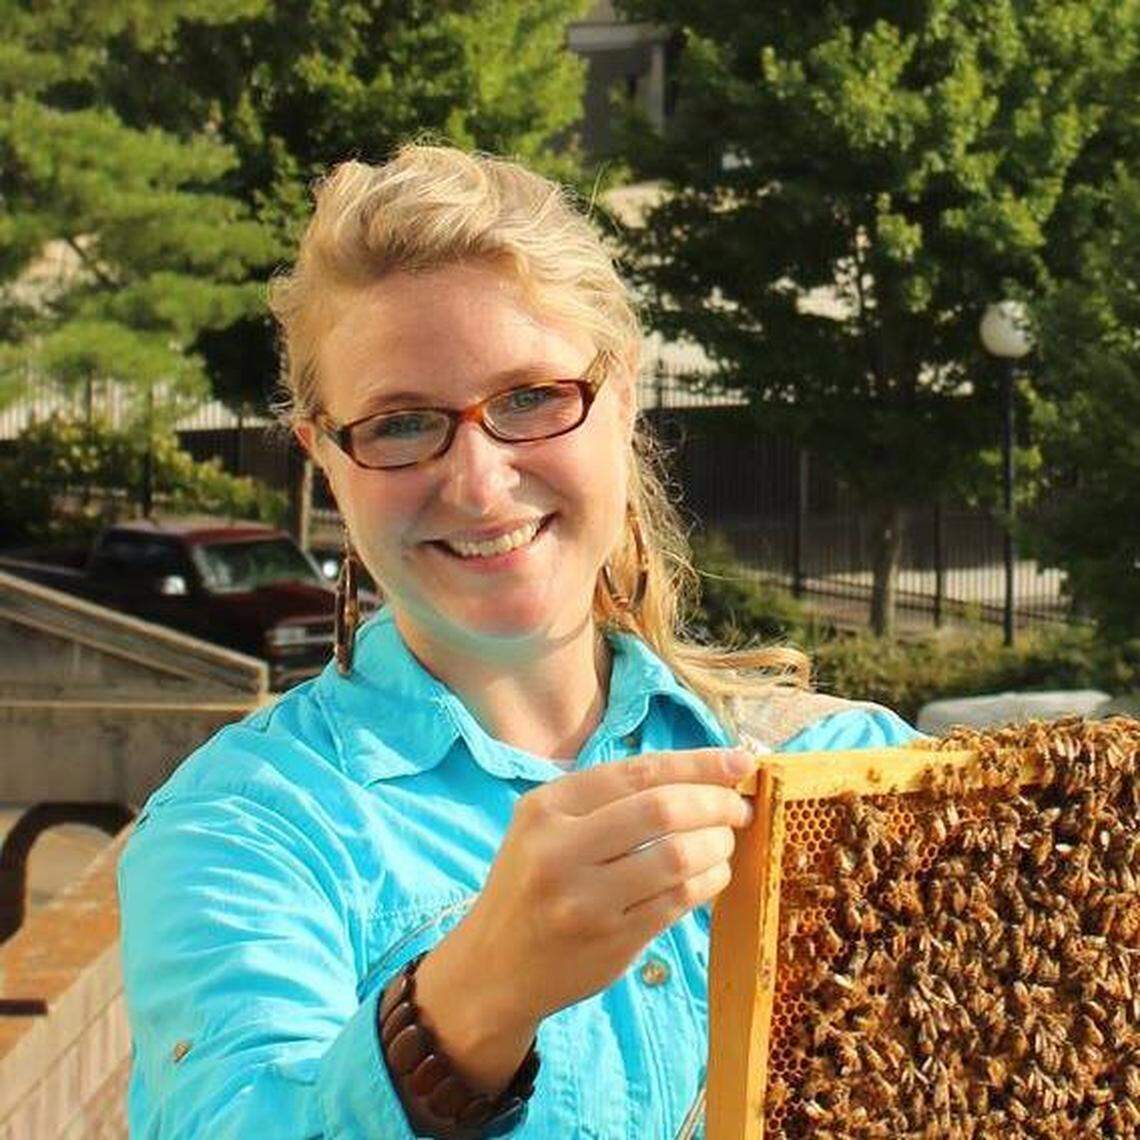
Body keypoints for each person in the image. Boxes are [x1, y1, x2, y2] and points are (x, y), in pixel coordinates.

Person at [118, 144, 918, 1140]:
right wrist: (465, 1007)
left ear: (621, 397)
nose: (482, 484)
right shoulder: (243, 832)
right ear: (327, 458)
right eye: (404, 423)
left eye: (531, 399)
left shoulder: (851, 772)